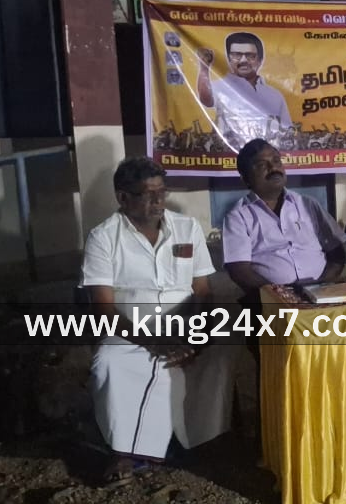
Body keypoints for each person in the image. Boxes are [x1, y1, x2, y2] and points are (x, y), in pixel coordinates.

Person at [83, 157, 237, 482]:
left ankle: (201, 440)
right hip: (131, 329)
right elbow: (103, 308)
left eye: (162, 192)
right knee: (110, 362)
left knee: (220, 353)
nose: (158, 201)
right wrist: (155, 342)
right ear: (123, 197)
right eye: (148, 194)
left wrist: (196, 338)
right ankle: (124, 452)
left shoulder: (186, 228)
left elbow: (202, 291)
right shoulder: (103, 237)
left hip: (184, 326)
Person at [223, 138, 346, 294]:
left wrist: (322, 286)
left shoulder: (308, 204)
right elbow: (239, 271)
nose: (273, 168)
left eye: (276, 161)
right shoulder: (238, 216)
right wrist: (280, 295)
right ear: (246, 179)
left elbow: (337, 254)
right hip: (273, 300)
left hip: (322, 293)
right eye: (262, 165)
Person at [196, 32, 294, 151]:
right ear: (229, 59)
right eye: (236, 55)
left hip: (266, 156)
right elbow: (206, 99)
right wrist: (204, 68)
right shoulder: (221, 87)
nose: (243, 60)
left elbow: (287, 131)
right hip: (231, 157)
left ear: (260, 60)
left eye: (250, 56)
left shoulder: (275, 95)